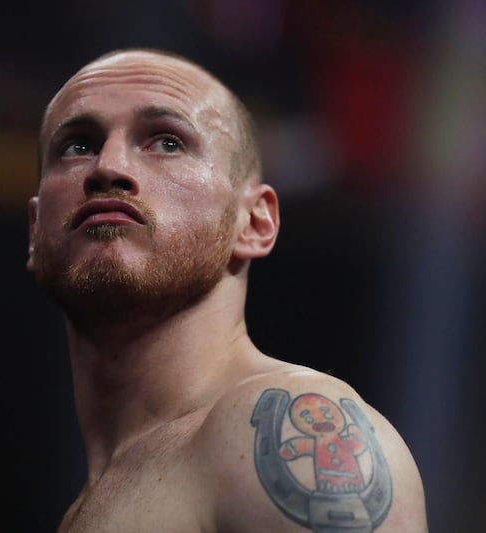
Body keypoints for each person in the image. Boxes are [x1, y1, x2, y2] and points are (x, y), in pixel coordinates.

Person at [26, 48, 427, 532]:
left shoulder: (272, 425)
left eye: (167, 142)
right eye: (78, 146)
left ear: (255, 222)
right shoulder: (99, 496)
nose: (107, 167)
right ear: (35, 229)